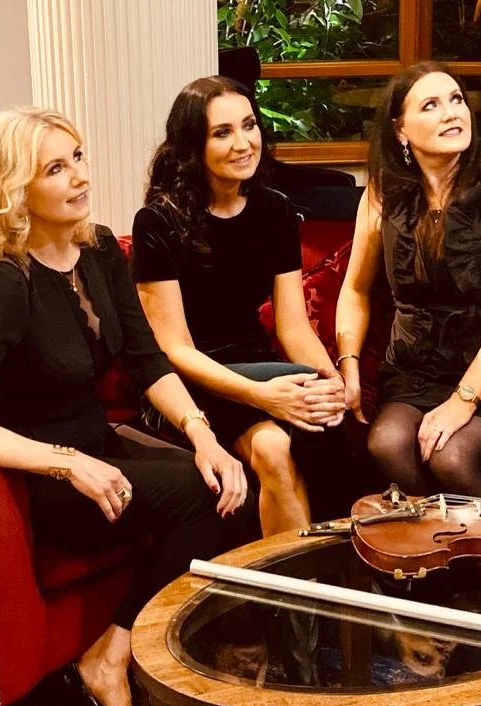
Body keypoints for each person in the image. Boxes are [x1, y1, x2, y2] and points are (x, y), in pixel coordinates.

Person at [0, 107, 253, 706]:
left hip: (94, 446)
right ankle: (109, 658)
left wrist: (204, 433)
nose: (79, 176)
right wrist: (64, 463)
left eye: (77, 157)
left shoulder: (99, 247)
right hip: (34, 478)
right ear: (16, 188)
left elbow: (146, 359)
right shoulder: (4, 283)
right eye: (55, 168)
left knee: (224, 479)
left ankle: (130, 651)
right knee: (201, 496)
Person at [132, 75, 347, 537]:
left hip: (255, 362)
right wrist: (263, 394)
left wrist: (333, 383)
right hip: (187, 380)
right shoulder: (158, 221)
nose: (243, 143)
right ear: (194, 146)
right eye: (222, 132)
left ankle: (305, 594)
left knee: (287, 441)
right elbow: (174, 349)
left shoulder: (275, 210)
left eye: (249, 125)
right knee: (296, 411)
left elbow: (293, 327)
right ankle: (299, 599)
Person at [335, 62, 481, 498]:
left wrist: (463, 401)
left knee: (450, 457)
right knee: (386, 444)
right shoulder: (382, 193)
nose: (452, 113)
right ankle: (444, 563)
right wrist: (350, 365)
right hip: (417, 369)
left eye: (456, 100)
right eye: (431, 105)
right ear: (401, 129)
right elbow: (355, 289)